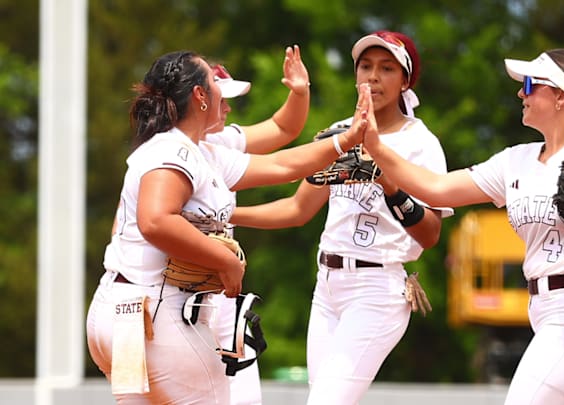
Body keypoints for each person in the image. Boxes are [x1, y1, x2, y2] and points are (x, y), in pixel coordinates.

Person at [362, 48, 564, 404]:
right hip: (543, 311)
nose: (520, 93)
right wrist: (375, 146)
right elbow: (436, 188)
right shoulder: (516, 160)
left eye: (529, 84)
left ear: (561, 95)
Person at [86, 49, 370, 404]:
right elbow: (155, 221)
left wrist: (345, 140)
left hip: (126, 313)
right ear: (199, 95)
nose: (224, 95)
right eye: (215, 84)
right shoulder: (174, 150)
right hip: (158, 315)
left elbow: (281, 165)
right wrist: (226, 263)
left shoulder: (198, 150)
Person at [230, 30, 453, 404]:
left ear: (405, 81)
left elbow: (430, 235)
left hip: (377, 288)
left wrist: (387, 182)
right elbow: (297, 209)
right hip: (327, 287)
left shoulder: (421, 143)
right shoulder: (340, 134)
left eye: (386, 68)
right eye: (365, 66)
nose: (373, 77)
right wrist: (223, 215)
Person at [206, 47, 311, 405]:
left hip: (218, 302)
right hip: (177, 303)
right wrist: (344, 142)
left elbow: (284, 127)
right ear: (196, 99)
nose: (228, 107)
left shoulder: (219, 141)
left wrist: (300, 92)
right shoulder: (168, 153)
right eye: (222, 98)